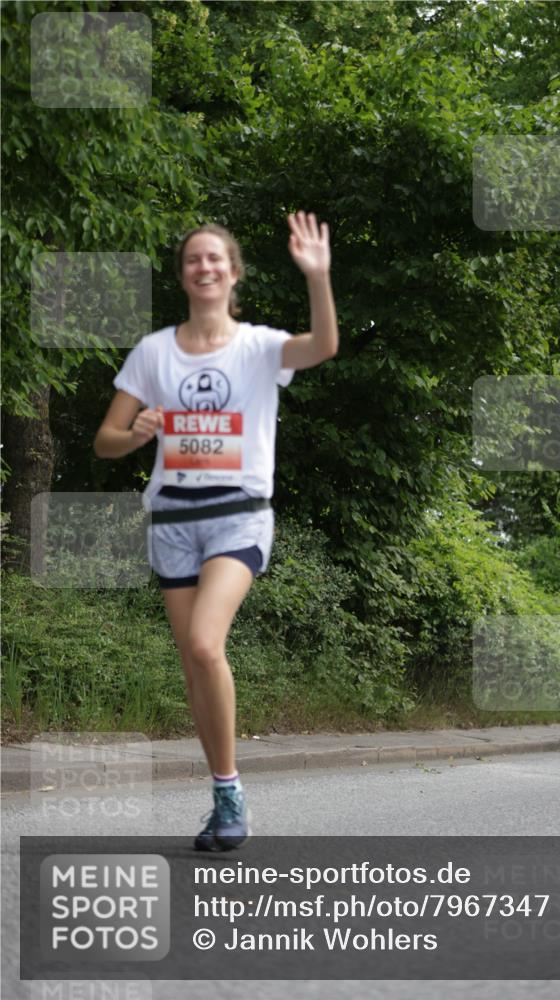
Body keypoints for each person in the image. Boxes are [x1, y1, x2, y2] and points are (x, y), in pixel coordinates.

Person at [93, 211, 338, 849]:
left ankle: (230, 792)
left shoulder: (258, 345)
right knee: (195, 665)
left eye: (216, 259)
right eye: (193, 260)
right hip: (172, 519)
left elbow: (321, 348)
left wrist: (318, 277)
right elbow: (105, 442)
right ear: (183, 276)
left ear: (233, 273)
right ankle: (222, 798)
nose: (205, 267)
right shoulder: (153, 352)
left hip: (238, 514)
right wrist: (137, 433)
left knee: (206, 645)